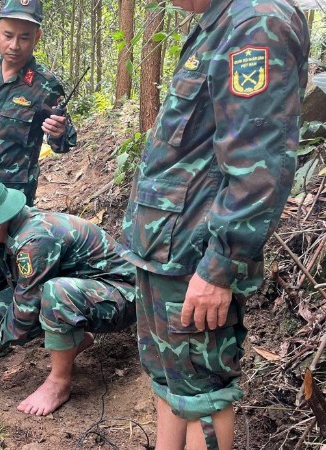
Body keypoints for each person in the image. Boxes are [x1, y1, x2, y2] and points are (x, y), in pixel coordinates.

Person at [120, 0, 310, 447]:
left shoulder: (256, 24)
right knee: (170, 380)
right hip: (164, 244)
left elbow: (259, 163)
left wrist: (221, 265)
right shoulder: (218, 22)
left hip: (194, 254)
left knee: (203, 392)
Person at [0, 178, 136, 416]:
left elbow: (25, 310)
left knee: (56, 293)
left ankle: (59, 382)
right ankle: (76, 339)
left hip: (120, 296)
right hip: (85, 293)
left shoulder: (35, 239)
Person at [0, 0, 79, 303]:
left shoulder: (45, 85)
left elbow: (64, 142)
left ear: (37, 37)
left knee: (7, 258)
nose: (15, 45)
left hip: (10, 191)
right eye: (8, 35)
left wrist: (59, 134)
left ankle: (11, 319)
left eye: (24, 37)